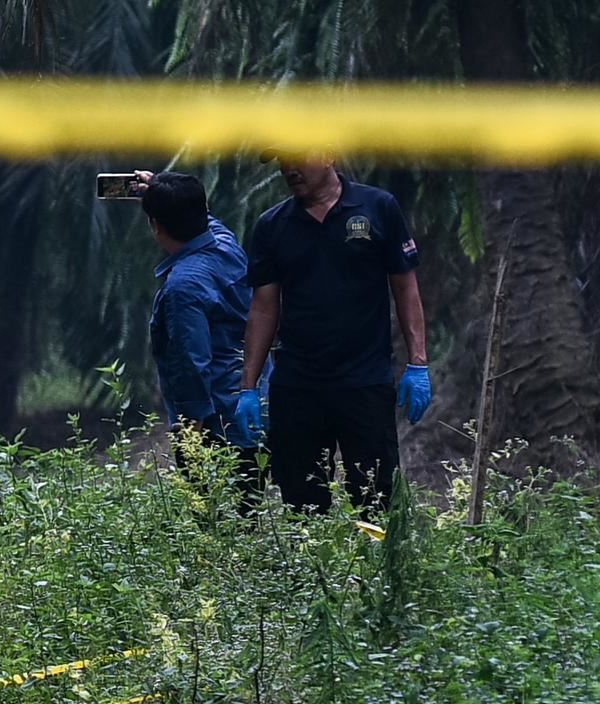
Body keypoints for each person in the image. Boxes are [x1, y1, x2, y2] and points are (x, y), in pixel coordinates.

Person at [234, 156, 430, 513]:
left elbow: (405, 287)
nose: (289, 170)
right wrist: (248, 386)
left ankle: (375, 564)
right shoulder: (272, 226)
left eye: (298, 158)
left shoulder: (378, 207)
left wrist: (418, 363)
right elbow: (263, 308)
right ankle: (309, 567)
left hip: (365, 381)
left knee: (375, 495)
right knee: (302, 498)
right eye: (282, 162)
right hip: (298, 385)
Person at [135, 171, 257, 475]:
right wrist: (169, 193)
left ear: (156, 225)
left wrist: (191, 437)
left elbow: (192, 363)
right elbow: (205, 220)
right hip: (251, 407)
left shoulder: (184, 287)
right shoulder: (225, 245)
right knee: (250, 511)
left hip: (216, 423)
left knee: (214, 517)